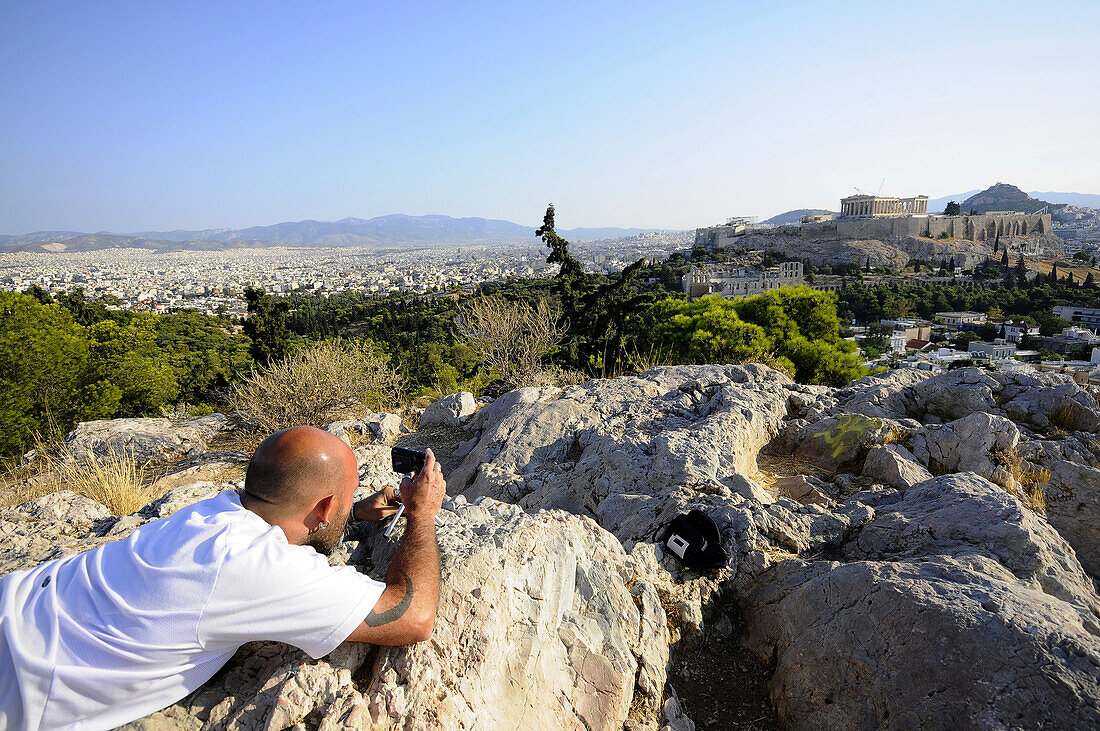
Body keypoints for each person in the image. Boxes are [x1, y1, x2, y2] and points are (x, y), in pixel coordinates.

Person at [0, 426, 445, 730]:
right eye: (346, 499)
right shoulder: (259, 571)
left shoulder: (213, 513)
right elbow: (415, 616)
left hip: (15, 604)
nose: (352, 504)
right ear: (325, 507)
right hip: (16, 688)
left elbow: (284, 528)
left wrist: (352, 514)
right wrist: (421, 515)